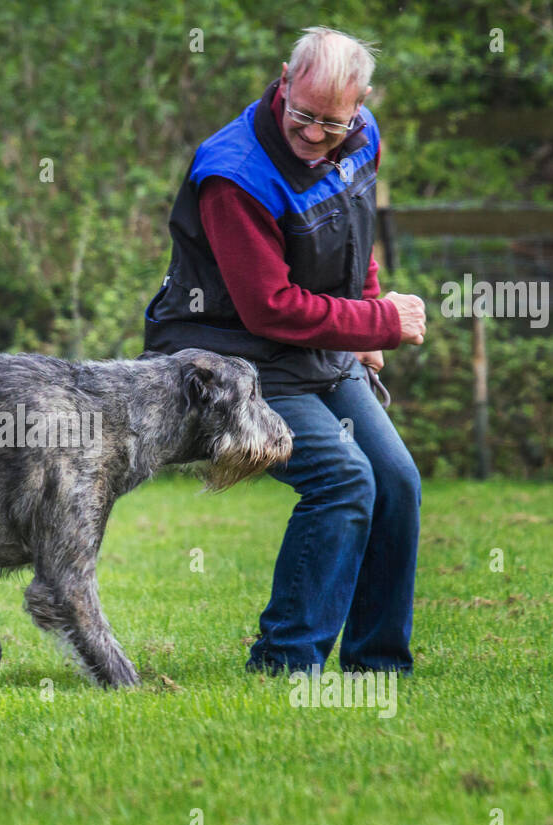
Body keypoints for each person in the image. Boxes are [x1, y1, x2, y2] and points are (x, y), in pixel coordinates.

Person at [143, 26, 427, 675]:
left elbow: (358, 233)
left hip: (315, 351)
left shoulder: (363, 136)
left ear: (360, 104)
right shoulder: (234, 173)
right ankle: (284, 661)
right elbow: (267, 306)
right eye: (303, 116)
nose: (313, 133)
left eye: (331, 122)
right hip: (228, 359)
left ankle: (378, 663)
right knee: (342, 480)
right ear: (282, 79)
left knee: (397, 481)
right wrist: (374, 322)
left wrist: (368, 317)